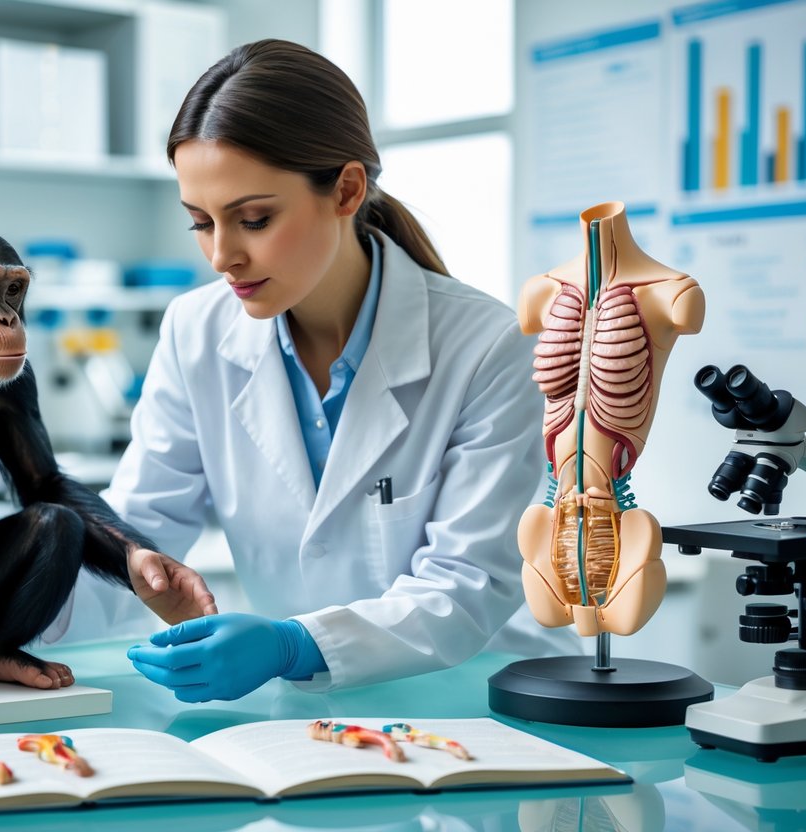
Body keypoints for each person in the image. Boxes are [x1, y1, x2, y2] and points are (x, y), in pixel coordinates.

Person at [109, 38, 579, 702]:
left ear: (346, 190)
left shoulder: (485, 344)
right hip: (313, 716)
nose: (222, 255)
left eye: (253, 219)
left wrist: (293, 644)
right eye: (200, 223)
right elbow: (139, 531)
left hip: (478, 697)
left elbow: (466, 585)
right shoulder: (196, 330)